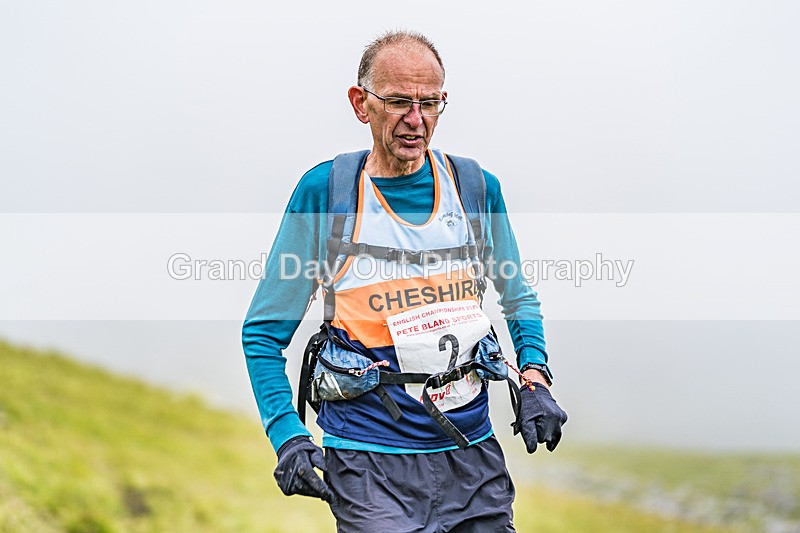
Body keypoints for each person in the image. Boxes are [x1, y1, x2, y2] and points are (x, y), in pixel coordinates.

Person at [242, 30, 567, 532]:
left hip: (472, 454)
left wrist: (536, 378)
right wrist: (289, 437)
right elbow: (263, 333)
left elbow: (517, 296)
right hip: (369, 464)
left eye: (430, 103)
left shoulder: (476, 188)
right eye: (397, 102)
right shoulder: (326, 194)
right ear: (360, 104)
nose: (416, 121)